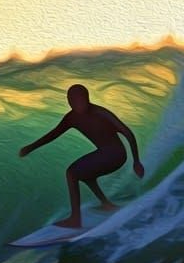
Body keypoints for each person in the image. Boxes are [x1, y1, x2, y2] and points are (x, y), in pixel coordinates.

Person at [19, 84, 144, 228]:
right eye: (73, 101)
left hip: (117, 154)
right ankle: (106, 204)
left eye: (80, 100)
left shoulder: (101, 113)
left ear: (87, 98)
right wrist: (31, 147)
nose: (77, 104)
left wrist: (136, 161)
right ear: (69, 102)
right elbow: (53, 134)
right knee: (85, 175)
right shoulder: (71, 118)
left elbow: (127, 133)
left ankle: (75, 220)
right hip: (104, 153)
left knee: (72, 173)